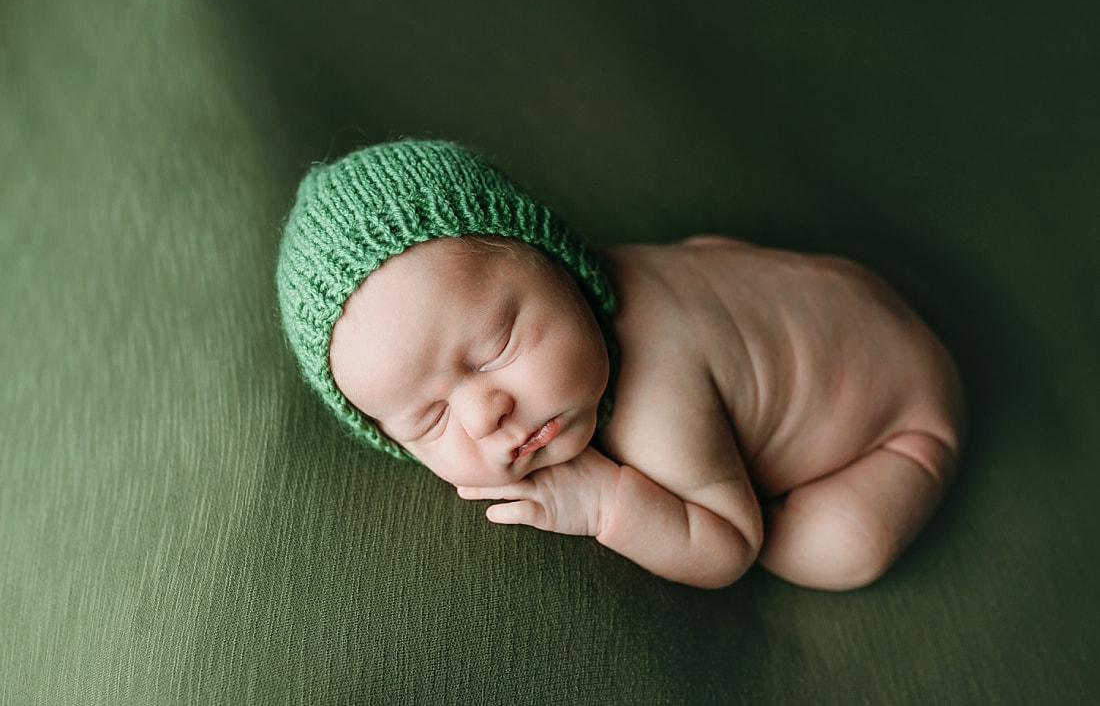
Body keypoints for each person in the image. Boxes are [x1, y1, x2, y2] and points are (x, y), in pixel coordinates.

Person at [276, 140, 966, 590]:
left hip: (905, 409)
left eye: (495, 348)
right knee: (704, 258)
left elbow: (728, 547)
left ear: (557, 261)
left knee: (836, 550)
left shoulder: (657, 400)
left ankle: (922, 445)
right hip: (836, 289)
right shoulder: (592, 291)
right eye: (428, 420)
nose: (486, 413)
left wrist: (607, 502)